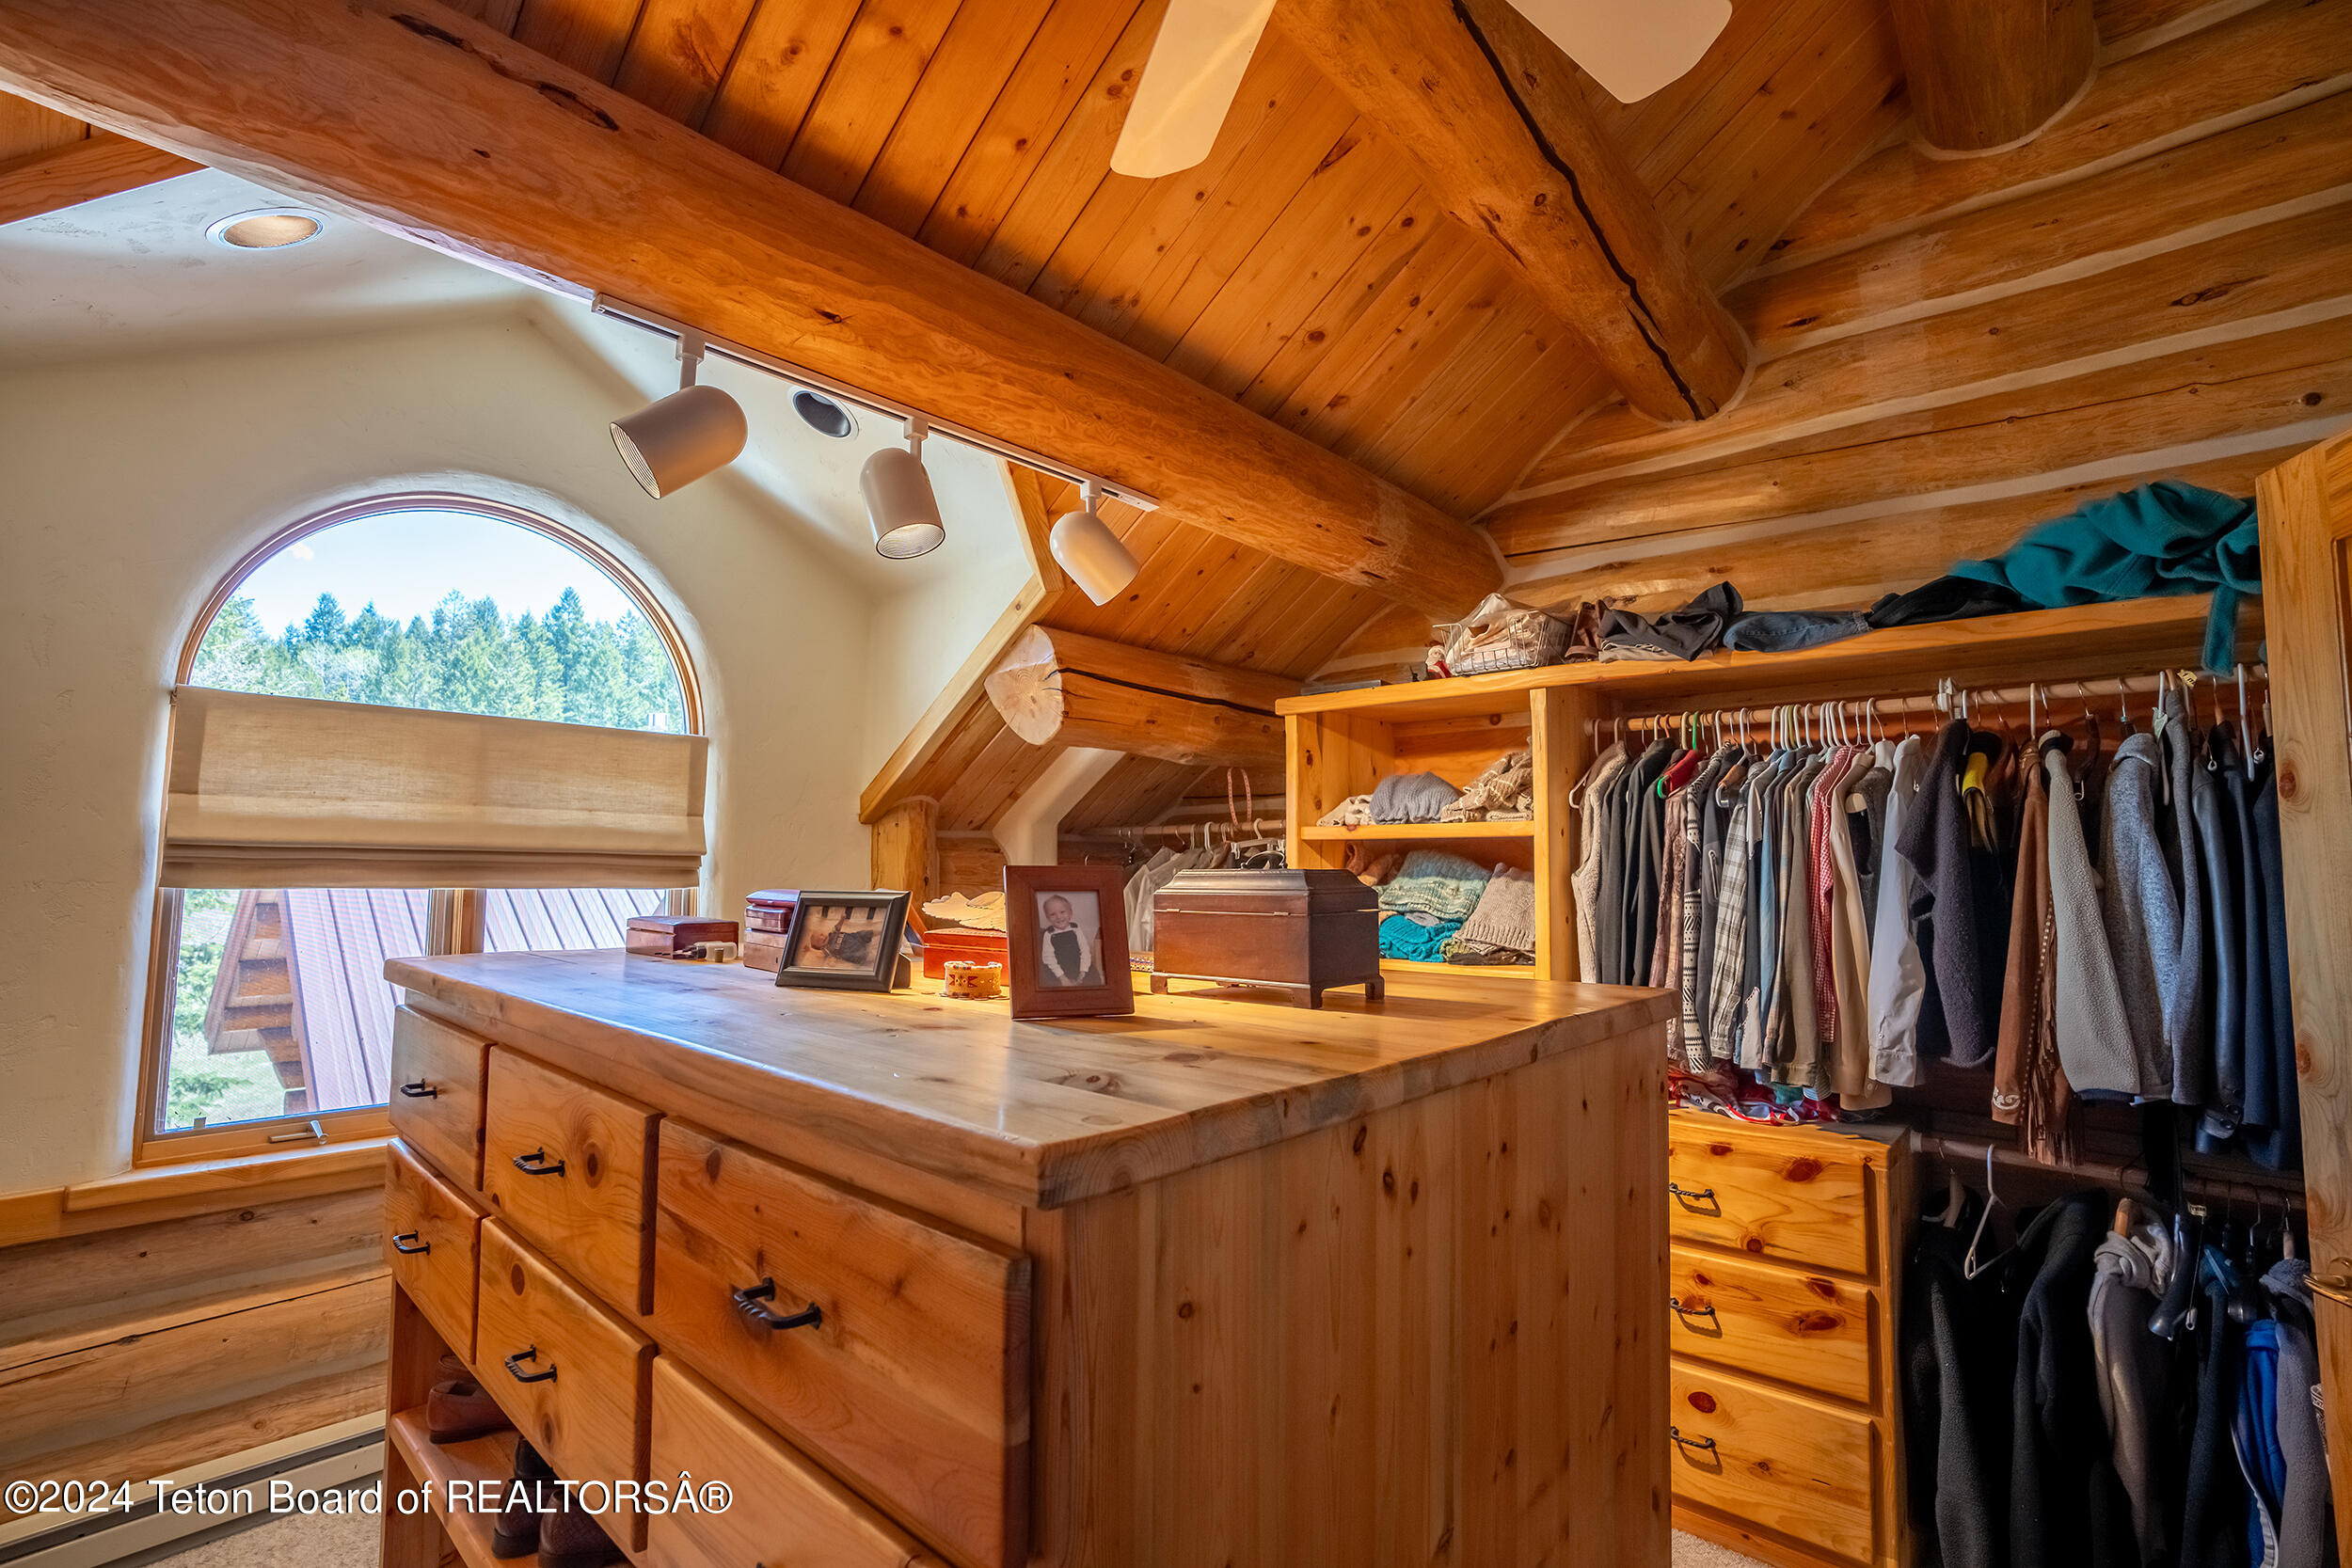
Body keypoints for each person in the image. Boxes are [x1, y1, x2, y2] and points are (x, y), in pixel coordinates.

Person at [1039, 894, 1101, 987]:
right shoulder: (1049, 934)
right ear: (1048, 917)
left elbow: (1084, 951)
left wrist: (1083, 972)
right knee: (1049, 980)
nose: (1058, 917)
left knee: (1093, 979)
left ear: (1070, 913)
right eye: (1052, 914)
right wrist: (1062, 977)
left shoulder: (1075, 929)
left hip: (1078, 965)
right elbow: (1048, 958)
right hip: (1059, 968)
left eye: (1062, 912)